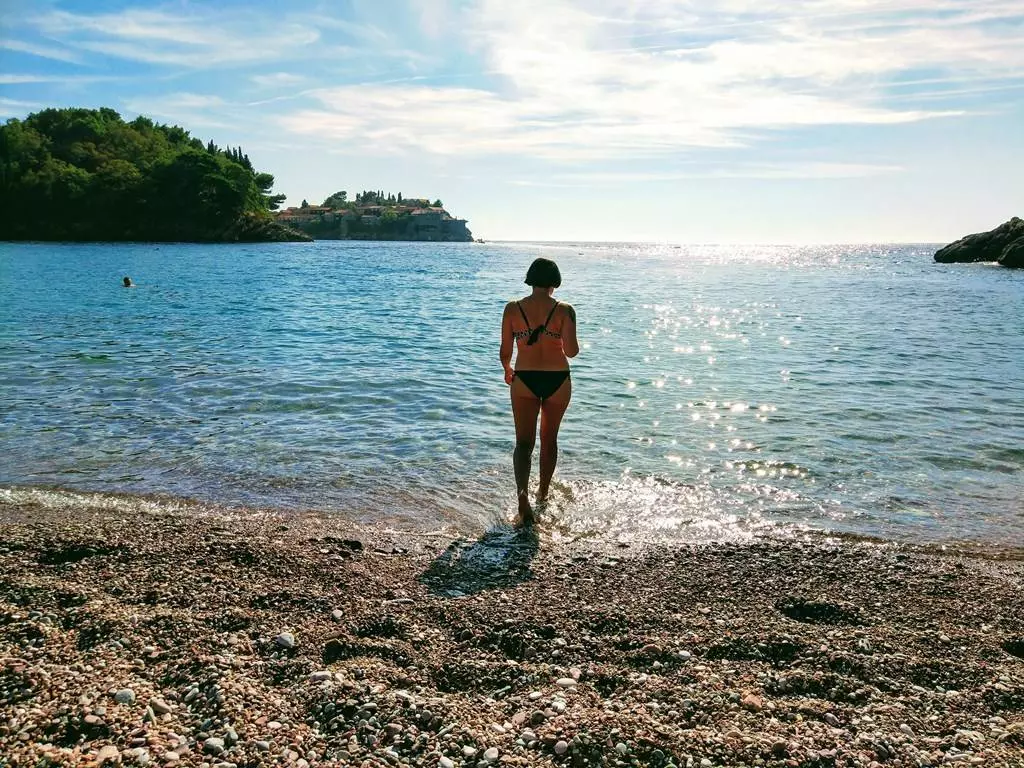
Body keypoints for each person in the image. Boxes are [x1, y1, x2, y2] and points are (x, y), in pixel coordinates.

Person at [500, 258, 580, 524]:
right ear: (554, 282)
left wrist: (507, 369)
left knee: (523, 443)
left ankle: (522, 499)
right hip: (557, 380)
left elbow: (505, 351)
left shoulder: (512, 309)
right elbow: (571, 352)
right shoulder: (565, 310)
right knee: (549, 439)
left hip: (524, 380)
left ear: (530, 279)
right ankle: (543, 493)